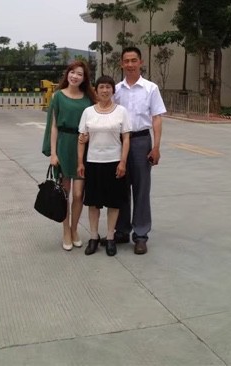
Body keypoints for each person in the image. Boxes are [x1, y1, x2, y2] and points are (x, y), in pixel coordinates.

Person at [106, 46, 166, 255]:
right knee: (120, 186)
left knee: (141, 189)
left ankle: (140, 235)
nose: (130, 64)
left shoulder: (151, 88)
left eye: (134, 60)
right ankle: (121, 230)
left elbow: (157, 118)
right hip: (119, 142)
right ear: (121, 64)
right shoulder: (116, 90)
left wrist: (156, 147)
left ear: (141, 62)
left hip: (141, 141)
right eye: (126, 61)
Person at [42, 61, 95, 251]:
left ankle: (74, 230)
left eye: (79, 74)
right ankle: (65, 230)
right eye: (72, 72)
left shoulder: (89, 99)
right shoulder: (58, 96)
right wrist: (53, 153)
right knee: (64, 194)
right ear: (67, 74)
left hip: (82, 148)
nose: (75, 76)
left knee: (79, 194)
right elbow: (53, 126)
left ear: (84, 78)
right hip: (63, 146)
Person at [77, 76, 131, 257]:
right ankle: (93, 237)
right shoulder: (88, 112)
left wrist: (123, 162)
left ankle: (110, 237)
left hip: (114, 162)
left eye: (108, 87)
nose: (105, 90)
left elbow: (126, 138)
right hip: (93, 163)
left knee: (114, 203)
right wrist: (80, 162)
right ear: (96, 90)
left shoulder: (121, 111)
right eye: (101, 87)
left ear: (113, 91)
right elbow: (81, 139)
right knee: (93, 203)